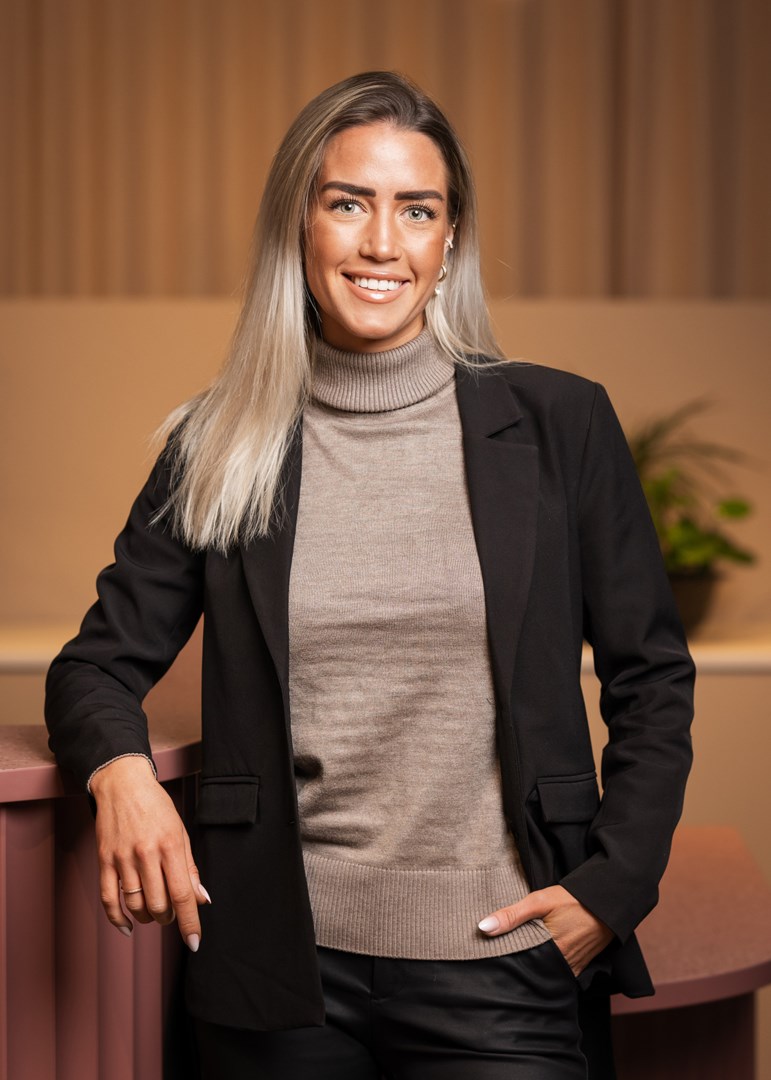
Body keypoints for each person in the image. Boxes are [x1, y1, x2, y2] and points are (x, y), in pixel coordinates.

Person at [45, 71, 694, 1080]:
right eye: (348, 204)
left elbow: (651, 677)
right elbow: (94, 666)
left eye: (417, 210)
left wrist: (610, 891)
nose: (382, 243)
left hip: (505, 964)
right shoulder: (220, 444)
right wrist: (119, 774)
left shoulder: (560, 424)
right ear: (298, 228)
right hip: (276, 976)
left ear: (449, 241)